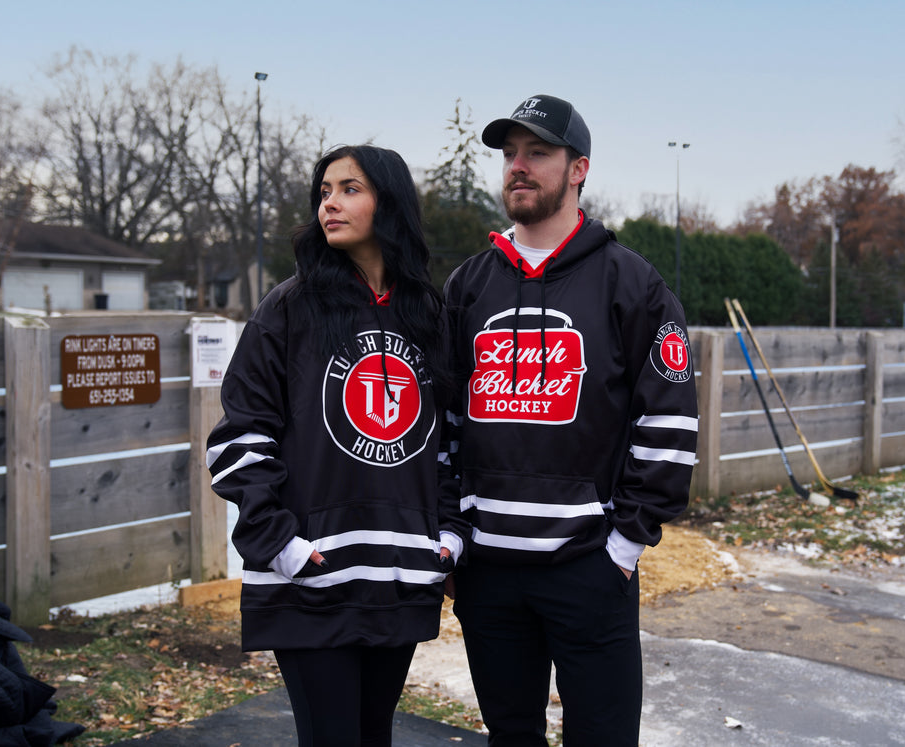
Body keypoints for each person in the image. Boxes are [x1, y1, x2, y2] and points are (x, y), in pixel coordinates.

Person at [444, 95, 698, 745]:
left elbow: (669, 421)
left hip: (589, 567)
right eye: (509, 154)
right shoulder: (469, 285)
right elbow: (440, 420)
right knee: (511, 735)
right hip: (490, 572)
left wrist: (624, 544)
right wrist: (453, 533)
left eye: (538, 152)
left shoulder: (631, 283)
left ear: (579, 168)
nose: (518, 166)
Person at [206, 144, 464, 747]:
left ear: (390, 202)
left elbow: (449, 440)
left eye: (350, 189)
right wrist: (282, 546)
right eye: (324, 191)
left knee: (374, 736)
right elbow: (239, 437)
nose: (331, 203)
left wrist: (447, 536)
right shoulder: (288, 309)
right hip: (312, 578)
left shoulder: (428, 313)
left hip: (400, 574)